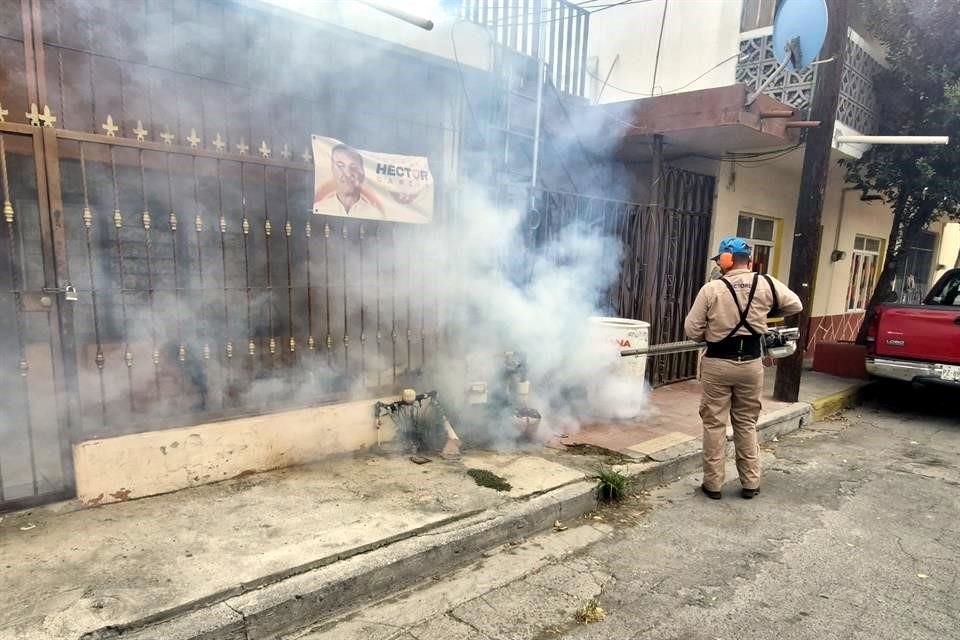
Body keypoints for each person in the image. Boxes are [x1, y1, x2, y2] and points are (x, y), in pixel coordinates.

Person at [683, 237, 802, 500]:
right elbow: (796, 304)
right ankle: (750, 482)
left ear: (725, 260)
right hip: (751, 364)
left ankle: (713, 485)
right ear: (749, 259)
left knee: (714, 424)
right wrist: (765, 312)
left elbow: (691, 329)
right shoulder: (766, 282)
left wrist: (711, 332)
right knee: (746, 422)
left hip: (718, 363)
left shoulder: (712, 289)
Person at [314, 144, 385, 219]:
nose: (347, 174)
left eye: (353, 167)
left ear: (362, 173)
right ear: (332, 169)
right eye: (340, 166)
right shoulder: (320, 207)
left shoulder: (375, 214)